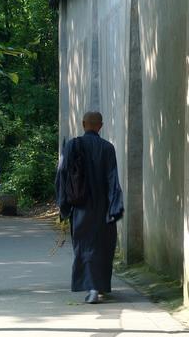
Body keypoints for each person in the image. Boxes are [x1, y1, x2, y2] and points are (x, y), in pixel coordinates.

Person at [55, 111, 124, 304]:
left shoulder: (72, 146)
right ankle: (98, 287)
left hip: (80, 207)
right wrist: (115, 207)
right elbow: (113, 179)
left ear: (83, 123)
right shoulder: (107, 148)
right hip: (103, 208)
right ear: (100, 126)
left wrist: (63, 205)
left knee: (84, 247)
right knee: (103, 247)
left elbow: (62, 176)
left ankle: (92, 288)